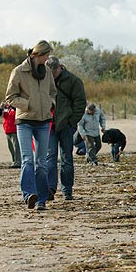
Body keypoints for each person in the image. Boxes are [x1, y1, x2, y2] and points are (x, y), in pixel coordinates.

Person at [5, 40, 56, 211]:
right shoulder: (18, 71)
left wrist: (51, 103)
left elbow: (52, 92)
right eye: (47, 54)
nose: (48, 58)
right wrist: (28, 104)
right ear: (39, 54)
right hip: (24, 121)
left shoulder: (47, 71)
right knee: (27, 160)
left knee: (41, 163)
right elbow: (10, 97)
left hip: (44, 122)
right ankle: (29, 195)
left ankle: (41, 200)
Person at [45, 56, 86, 201]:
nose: (51, 76)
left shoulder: (74, 81)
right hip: (48, 124)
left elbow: (80, 103)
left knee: (66, 159)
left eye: (53, 73)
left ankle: (67, 191)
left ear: (59, 67)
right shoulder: (44, 78)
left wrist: (72, 122)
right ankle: (50, 189)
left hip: (66, 125)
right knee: (49, 158)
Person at [0, 101, 21, 168]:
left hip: (15, 130)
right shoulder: (6, 108)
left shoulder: (16, 108)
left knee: (16, 148)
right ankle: (14, 161)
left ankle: (18, 162)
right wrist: (1, 107)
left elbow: (17, 112)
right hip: (7, 130)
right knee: (11, 147)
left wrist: (12, 105)